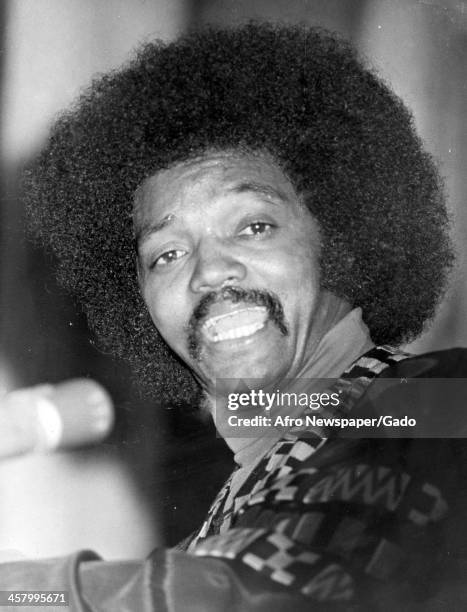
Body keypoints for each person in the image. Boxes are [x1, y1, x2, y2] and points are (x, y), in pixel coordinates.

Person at [2, 22, 467, 610]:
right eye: (167, 254)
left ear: (340, 237)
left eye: (253, 226)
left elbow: (239, 592)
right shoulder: (243, 486)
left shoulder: (438, 401)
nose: (208, 272)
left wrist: (24, 592)